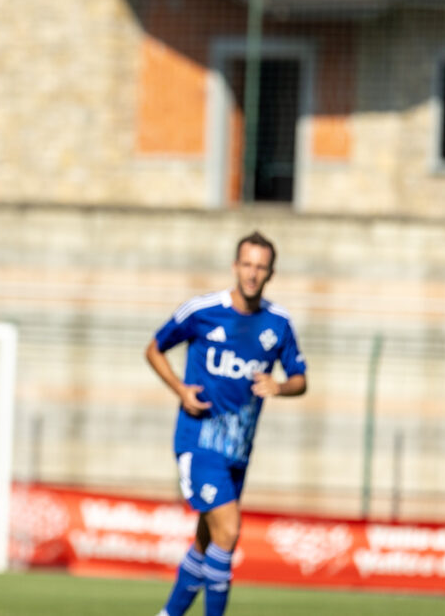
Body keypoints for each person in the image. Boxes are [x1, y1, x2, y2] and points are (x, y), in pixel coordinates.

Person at [145, 231, 307, 616]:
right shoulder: (203, 311)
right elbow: (154, 348)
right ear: (236, 267)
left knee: (207, 541)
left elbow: (301, 379)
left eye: (261, 267)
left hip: (238, 450)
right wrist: (181, 389)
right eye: (247, 265)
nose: (252, 274)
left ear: (271, 273)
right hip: (198, 440)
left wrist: (280, 386)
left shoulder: (278, 323)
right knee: (229, 531)